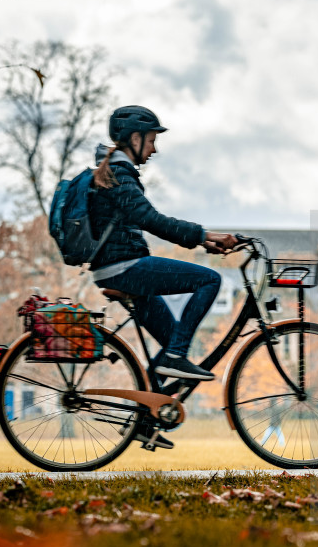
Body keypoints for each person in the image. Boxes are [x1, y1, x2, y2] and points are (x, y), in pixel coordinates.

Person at [88, 105, 236, 382]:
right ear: (135, 139)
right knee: (210, 280)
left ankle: (144, 417)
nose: (154, 150)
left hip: (118, 267)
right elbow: (150, 219)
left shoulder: (116, 172)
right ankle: (176, 358)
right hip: (124, 268)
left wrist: (203, 242)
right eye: (152, 140)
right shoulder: (119, 174)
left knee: (172, 339)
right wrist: (205, 235)